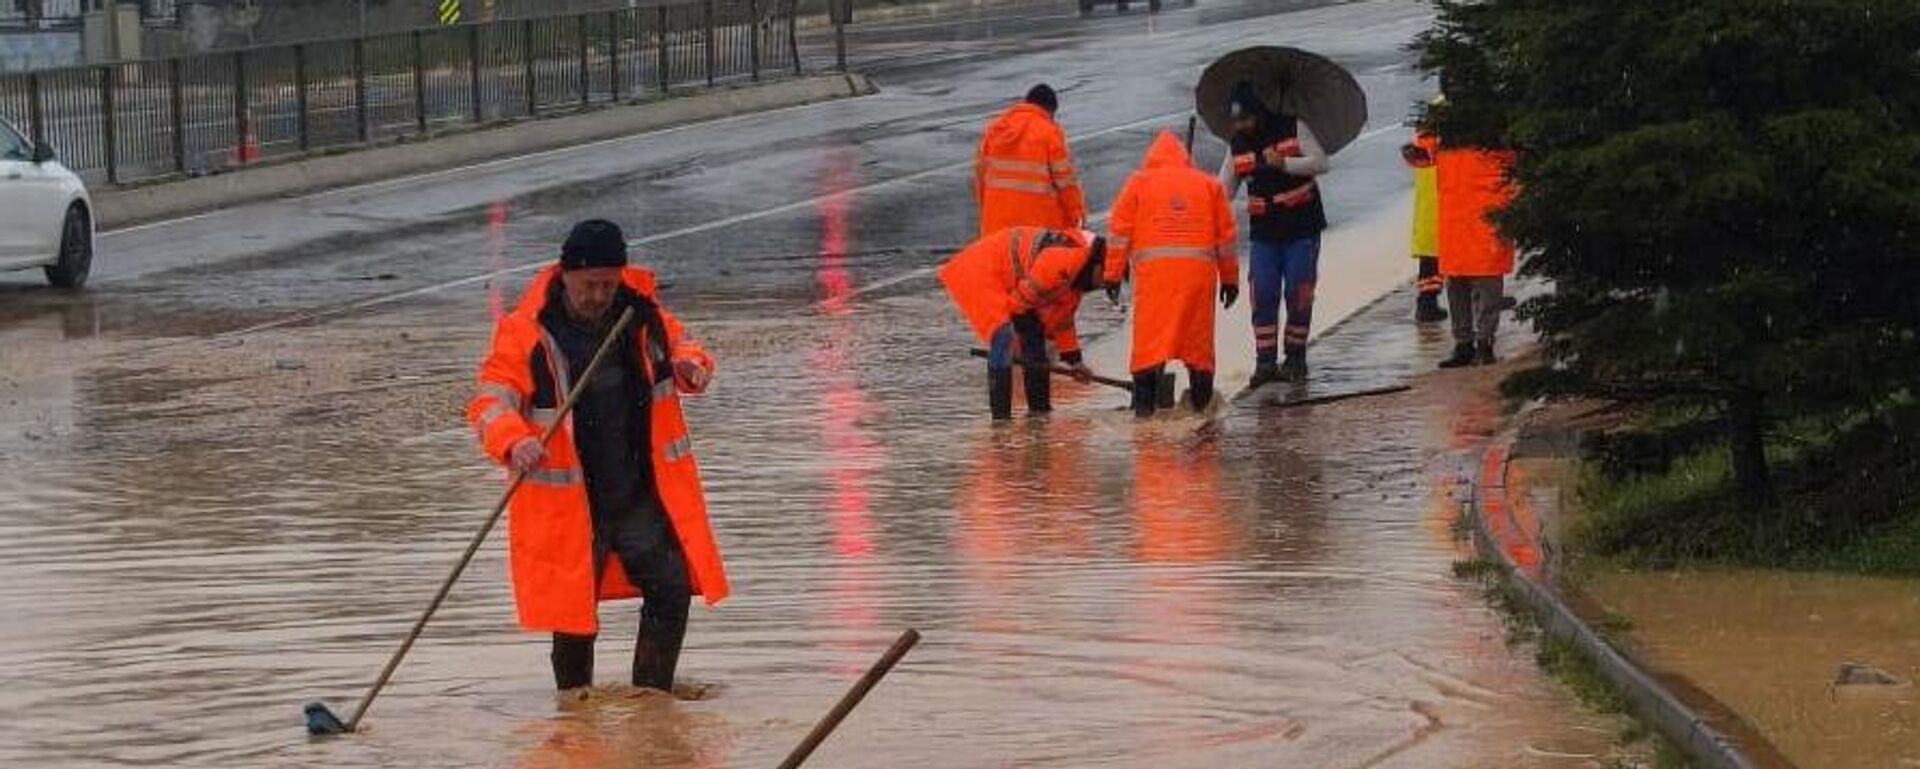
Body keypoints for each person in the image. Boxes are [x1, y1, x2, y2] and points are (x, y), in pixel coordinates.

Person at [466, 219, 729, 694]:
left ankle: (651, 698)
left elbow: (684, 344)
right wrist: (513, 439)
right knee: (573, 614)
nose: (599, 295)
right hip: (572, 505)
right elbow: (490, 402)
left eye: (608, 284)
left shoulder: (640, 314)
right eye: (589, 285)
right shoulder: (526, 333)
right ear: (565, 275)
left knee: (670, 590)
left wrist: (693, 366)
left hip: (637, 493)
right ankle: (574, 704)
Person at [1104, 130, 1239, 417]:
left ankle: (1144, 414)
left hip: (1155, 282)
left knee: (1149, 347)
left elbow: (1119, 232)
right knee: (1198, 347)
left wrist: (1112, 275)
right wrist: (1230, 279)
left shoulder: (1138, 184)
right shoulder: (1207, 185)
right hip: (1197, 281)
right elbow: (1225, 238)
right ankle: (1202, 408)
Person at [1218, 81, 1330, 387]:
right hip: (1264, 233)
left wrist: (1286, 163)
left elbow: (1321, 163)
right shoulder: (1237, 145)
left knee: (1299, 292)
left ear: (1258, 113)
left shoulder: (1293, 127)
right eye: (1236, 121)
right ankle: (1265, 363)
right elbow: (1222, 191)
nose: (1241, 126)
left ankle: (1295, 357)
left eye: (1245, 119)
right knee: (1263, 294)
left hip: (1301, 228)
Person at [938, 226, 1106, 419]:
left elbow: (1062, 321)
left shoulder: (1075, 278)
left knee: (1035, 344)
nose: (1101, 286)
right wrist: (1032, 345)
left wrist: (1075, 362)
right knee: (1003, 335)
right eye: (1104, 281)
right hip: (980, 271)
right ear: (1098, 266)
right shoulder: (1061, 261)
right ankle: (1001, 422)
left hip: (1006, 279)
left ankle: (1039, 413)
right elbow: (1018, 305)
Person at [1434, 142, 1518, 367]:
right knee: (1456, 280)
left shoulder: (1492, 120)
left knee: (1487, 277)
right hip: (1456, 212)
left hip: (1485, 210)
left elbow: (1515, 156)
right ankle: (1465, 343)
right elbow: (1425, 151)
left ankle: (1483, 341)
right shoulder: (1443, 120)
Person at [974, 84, 1086, 237]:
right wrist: (1076, 219)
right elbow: (1066, 185)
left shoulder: (995, 129)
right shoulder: (1048, 133)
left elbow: (981, 181)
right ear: (1050, 110)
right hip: (1036, 232)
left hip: (995, 230)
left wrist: (987, 216)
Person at [1402, 129, 1448, 323]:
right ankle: (1427, 304)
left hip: (1428, 203)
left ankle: (1426, 303)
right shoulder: (1436, 144)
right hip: (1440, 198)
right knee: (1436, 257)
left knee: (1429, 257)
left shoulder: (1425, 137)